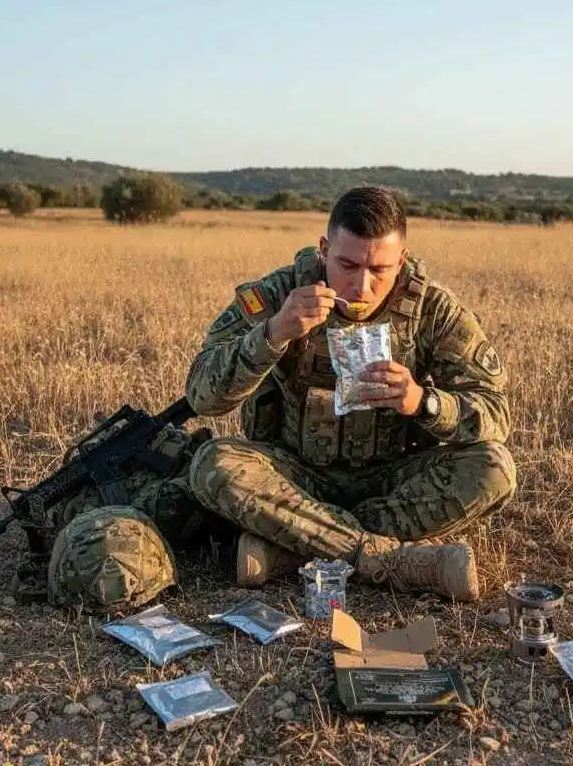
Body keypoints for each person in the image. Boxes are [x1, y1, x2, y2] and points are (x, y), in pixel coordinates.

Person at [184, 186, 517, 602]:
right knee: (213, 463)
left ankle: (294, 548)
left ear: (402, 259)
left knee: (494, 468)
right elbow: (202, 397)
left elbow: (495, 413)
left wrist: (424, 402)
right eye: (347, 265)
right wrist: (273, 334)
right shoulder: (277, 295)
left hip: (394, 482)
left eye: (380, 269)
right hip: (295, 477)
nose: (362, 286)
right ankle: (388, 559)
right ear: (324, 250)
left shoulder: (434, 309)